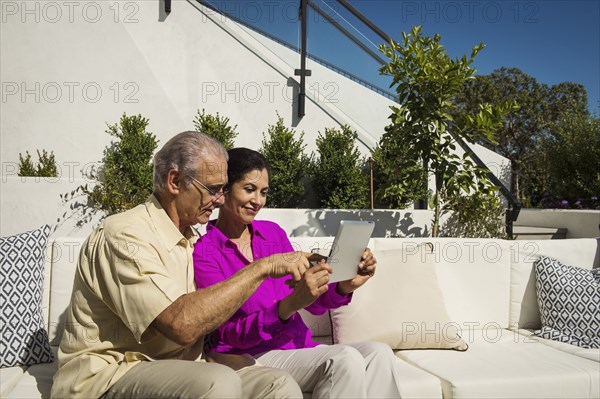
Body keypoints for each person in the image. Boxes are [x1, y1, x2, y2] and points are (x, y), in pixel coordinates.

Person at [52, 132, 307, 399]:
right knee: (217, 382)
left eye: (222, 189)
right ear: (174, 181)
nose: (220, 199)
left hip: (183, 365)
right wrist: (261, 268)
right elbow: (181, 325)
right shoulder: (125, 235)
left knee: (278, 384)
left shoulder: (193, 237)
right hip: (108, 374)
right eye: (212, 189)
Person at [193, 148, 402, 398]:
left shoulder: (272, 234)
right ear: (225, 190)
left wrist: (345, 285)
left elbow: (313, 303)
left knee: (379, 353)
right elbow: (227, 333)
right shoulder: (205, 252)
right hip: (247, 356)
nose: (257, 201)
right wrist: (286, 308)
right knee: (343, 359)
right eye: (249, 189)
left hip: (297, 347)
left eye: (264, 192)